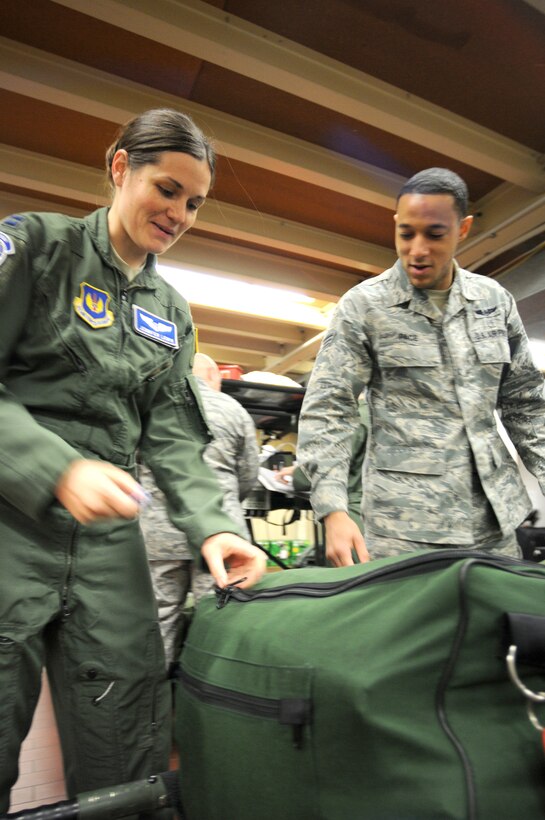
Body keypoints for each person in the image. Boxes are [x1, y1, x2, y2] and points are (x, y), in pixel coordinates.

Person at [0, 108, 266, 812]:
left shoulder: (171, 311)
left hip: (109, 539)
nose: (179, 213)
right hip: (10, 521)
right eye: (167, 188)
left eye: (194, 202)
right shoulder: (35, 246)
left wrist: (215, 529)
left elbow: (174, 437)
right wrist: (57, 466)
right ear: (120, 167)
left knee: (125, 732)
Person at [297, 167, 545, 566]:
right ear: (395, 225)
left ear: (462, 229)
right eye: (406, 233)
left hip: (495, 523)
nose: (417, 250)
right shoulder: (365, 306)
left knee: (495, 627)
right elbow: (330, 407)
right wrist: (333, 508)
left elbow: (526, 405)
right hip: (405, 527)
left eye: (435, 234)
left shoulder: (493, 301)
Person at [140, 352, 260, 667]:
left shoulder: (150, 405)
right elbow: (248, 474)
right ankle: (211, 692)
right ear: (213, 376)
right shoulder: (233, 409)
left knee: (159, 615)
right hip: (223, 530)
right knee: (221, 615)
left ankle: (154, 696)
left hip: (156, 531)